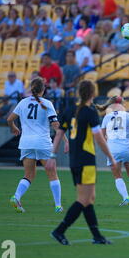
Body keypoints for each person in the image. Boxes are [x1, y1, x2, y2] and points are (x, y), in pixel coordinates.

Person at [49, 80, 116, 245]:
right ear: (93, 94)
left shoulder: (70, 110)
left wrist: (52, 155)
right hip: (86, 160)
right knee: (84, 200)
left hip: (74, 160)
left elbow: (59, 133)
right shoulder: (90, 112)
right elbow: (99, 138)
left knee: (89, 198)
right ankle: (59, 231)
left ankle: (97, 236)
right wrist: (111, 157)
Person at [7, 77, 66, 214]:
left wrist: (13, 128)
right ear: (43, 89)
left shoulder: (22, 102)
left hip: (26, 143)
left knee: (28, 174)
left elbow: (9, 119)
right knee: (52, 174)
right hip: (42, 143)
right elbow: (55, 125)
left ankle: (16, 196)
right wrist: (65, 140)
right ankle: (58, 206)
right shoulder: (47, 104)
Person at [97, 96, 129, 206]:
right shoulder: (127, 115)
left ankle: (126, 198)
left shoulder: (107, 117)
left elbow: (101, 135)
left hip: (113, 149)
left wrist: (106, 140)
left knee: (117, 176)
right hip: (126, 148)